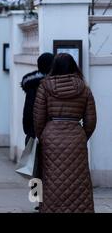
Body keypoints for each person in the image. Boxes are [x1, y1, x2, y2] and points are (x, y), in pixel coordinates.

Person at [34, 53, 97, 213]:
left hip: (51, 137)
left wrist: (44, 136)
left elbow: (39, 118)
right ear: (73, 66)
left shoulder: (45, 86)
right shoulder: (84, 87)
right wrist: (82, 136)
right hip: (76, 138)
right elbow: (91, 121)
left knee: (51, 179)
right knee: (78, 180)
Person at [21, 52, 54, 145]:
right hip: (52, 132)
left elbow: (28, 109)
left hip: (33, 132)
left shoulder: (32, 84)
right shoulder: (55, 85)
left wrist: (28, 130)